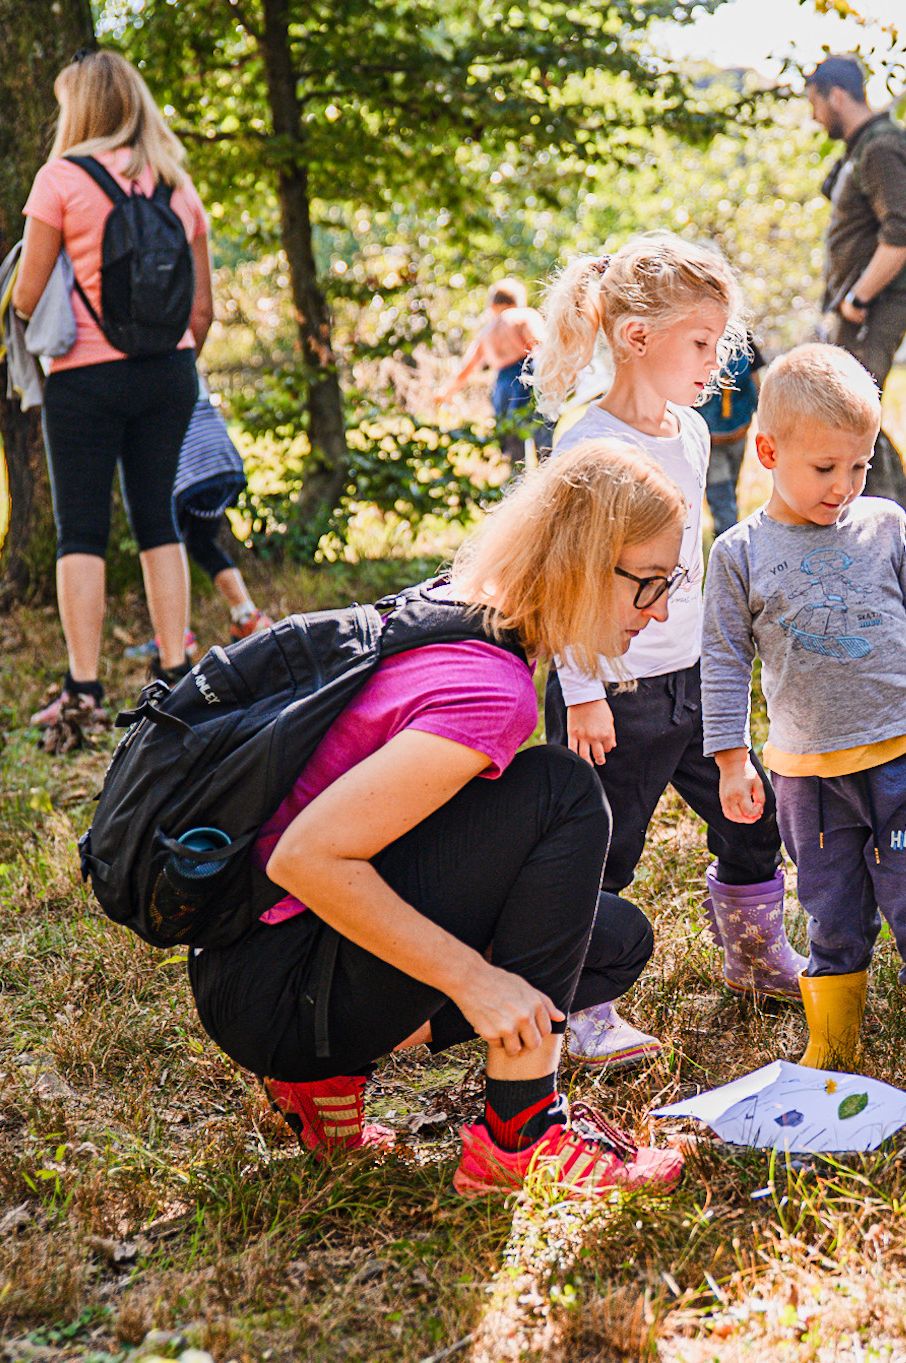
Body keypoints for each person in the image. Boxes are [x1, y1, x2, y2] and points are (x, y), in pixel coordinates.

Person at [188, 440, 688, 1195]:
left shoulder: (465, 607)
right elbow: (305, 858)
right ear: (584, 562)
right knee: (563, 792)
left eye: (669, 583)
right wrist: (474, 980)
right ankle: (522, 1132)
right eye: (647, 583)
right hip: (275, 985)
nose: (659, 610)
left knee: (611, 940)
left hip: (258, 962)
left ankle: (324, 1083)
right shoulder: (491, 685)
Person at [531, 233, 799, 1068]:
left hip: (693, 681)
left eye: (721, 345)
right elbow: (568, 580)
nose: (716, 362)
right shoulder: (587, 442)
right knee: (601, 850)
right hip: (610, 692)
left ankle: (756, 957)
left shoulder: (687, 430)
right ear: (634, 338)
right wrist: (580, 693)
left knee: (751, 813)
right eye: (700, 343)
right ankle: (584, 1007)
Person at [703, 345, 906, 1115]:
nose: (845, 486)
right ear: (768, 452)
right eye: (825, 468)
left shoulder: (887, 526)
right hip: (807, 778)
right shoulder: (740, 554)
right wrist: (733, 758)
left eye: (859, 466)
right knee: (830, 913)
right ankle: (832, 1045)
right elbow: (724, 661)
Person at [12, 49, 215, 735]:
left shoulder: (61, 179)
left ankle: (84, 690)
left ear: (82, 108)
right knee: (159, 521)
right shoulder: (179, 188)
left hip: (85, 377)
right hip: (169, 373)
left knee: (83, 531)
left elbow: (27, 295)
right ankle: (175, 675)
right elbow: (203, 312)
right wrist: (166, 362)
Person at [805, 53, 906, 532]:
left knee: (852, 411)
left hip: (875, 303)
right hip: (858, 303)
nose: (814, 115)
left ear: (837, 95)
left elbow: (901, 233)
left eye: (815, 103)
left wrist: (859, 298)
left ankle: (883, 526)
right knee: (860, 408)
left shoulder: (881, 147)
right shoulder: (863, 146)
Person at [124, 375, 274, 663]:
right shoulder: (182, 356)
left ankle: (177, 637)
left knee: (163, 545)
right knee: (201, 543)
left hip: (186, 463)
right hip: (220, 459)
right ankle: (247, 616)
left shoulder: (140, 361)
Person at [439, 279, 553, 469]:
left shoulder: (486, 332)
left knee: (514, 457)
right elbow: (542, 347)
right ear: (517, 300)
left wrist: (444, 393)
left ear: (493, 305)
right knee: (545, 451)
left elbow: (465, 370)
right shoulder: (524, 317)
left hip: (501, 390)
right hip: (527, 383)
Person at [701, 341, 763, 536]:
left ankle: (727, 537)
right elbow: (756, 382)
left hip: (725, 435)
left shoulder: (742, 338)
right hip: (723, 436)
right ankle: (730, 540)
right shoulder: (742, 338)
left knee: (725, 494)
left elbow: (755, 380)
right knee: (724, 495)